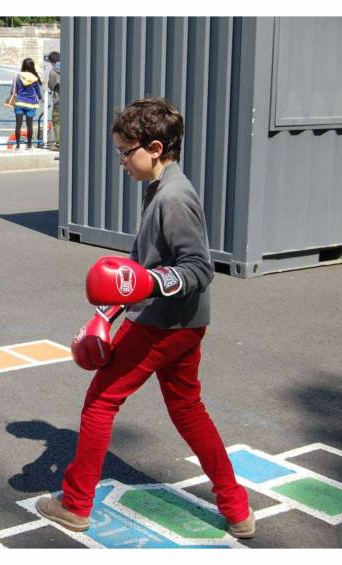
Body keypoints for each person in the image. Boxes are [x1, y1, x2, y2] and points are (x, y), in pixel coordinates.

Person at [37, 98, 255, 539]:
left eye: (125, 151)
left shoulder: (174, 198)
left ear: (154, 147)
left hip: (163, 324)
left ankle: (76, 504)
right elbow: (139, 265)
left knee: (101, 402)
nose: (120, 160)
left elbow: (199, 268)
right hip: (182, 323)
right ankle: (236, 508)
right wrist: (107, 314)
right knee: (188, 409)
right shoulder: (160, 187)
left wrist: (146, 288)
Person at [9, 57, 43, 150]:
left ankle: (18, 146)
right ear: (32, 67)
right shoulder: (34, 78)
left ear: (23, 65)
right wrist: (41, 98)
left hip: (19, 103)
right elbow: (38, 92)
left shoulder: (17, 76)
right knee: (29, 125)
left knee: (18, 125)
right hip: (31, 104)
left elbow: (12, 91)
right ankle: (29, 145)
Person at [46, 51, 61, 150]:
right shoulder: (70, 67)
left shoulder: (53, 72)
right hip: (72, 102)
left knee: (57, 122)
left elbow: (51, 87)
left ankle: (59, 144)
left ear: (51, 62)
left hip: (59, 102)